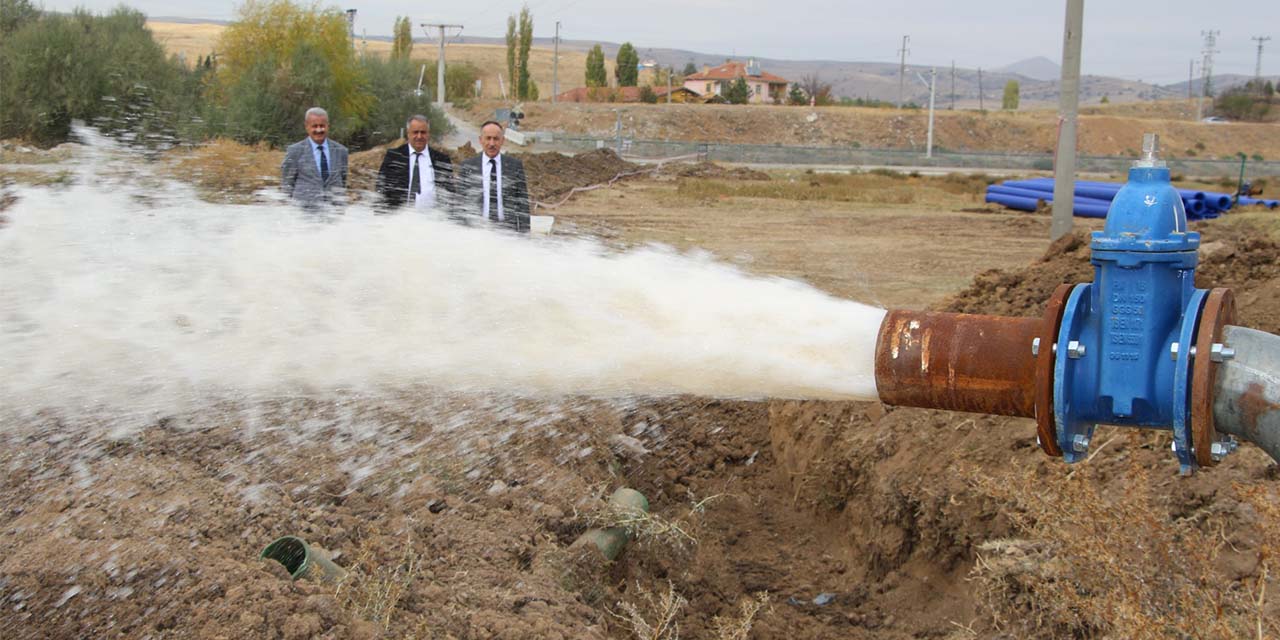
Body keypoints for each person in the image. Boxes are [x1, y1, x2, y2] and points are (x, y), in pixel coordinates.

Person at [458, 121, 530, 232]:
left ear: (502, 141)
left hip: (507, 231)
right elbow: (461, 202)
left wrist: (525, 234)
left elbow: (522, 203)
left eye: (496, 139)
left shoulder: (514, 166)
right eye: (488, 138)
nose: (492, 143)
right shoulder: (468, 166)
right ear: (480, 140)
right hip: (476, 231)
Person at [374, 114, 455, 211]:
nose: (419, 136)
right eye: (415, 132)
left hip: (432, 221)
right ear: (408, 133)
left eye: (423, 132)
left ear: (428, 134)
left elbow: (449, 193)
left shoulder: (441, 159)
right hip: (398, 219)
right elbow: (381, 188)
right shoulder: (394, 157)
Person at [280, 107, 348, 207]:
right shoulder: (295, 151)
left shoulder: (341, 151)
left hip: (334, 212)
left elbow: (342, 180)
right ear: (306, 126)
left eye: (322, 126)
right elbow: (287, 183)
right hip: (303, 213)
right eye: (314, 126)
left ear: (328, 126)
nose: (319, 130)